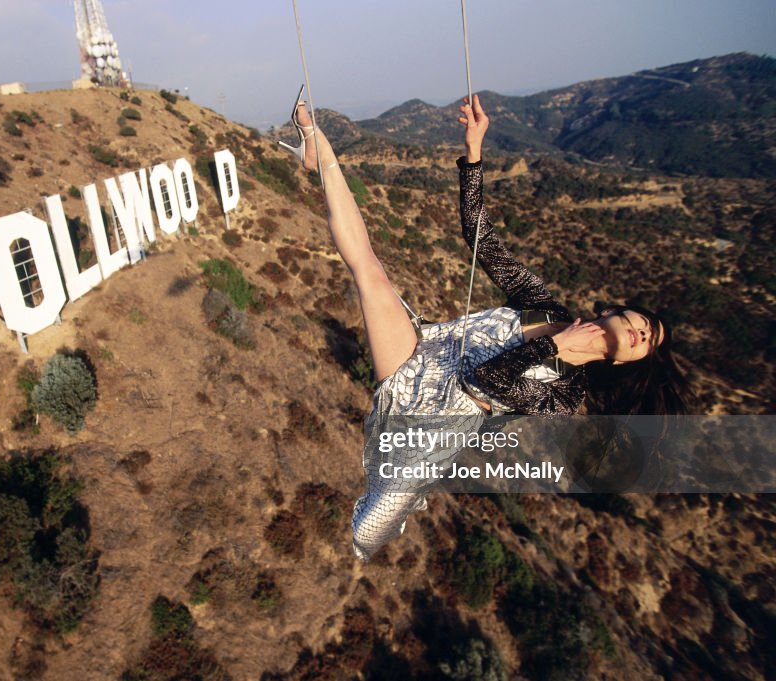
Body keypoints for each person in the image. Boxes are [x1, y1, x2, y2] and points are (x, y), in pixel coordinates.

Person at [283, 91, 686, 560]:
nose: (642, 333)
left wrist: (555, 350)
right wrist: (473, 151)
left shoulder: (565, 396)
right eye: (645, 322)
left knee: (370, 530)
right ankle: (318, 151)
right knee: (369, 269)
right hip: (426, 353)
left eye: (647, 343)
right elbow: (479, 235)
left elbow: (485, 379)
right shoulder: (542, 305)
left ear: (625, 362)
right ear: (617, 312)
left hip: (438, 419)